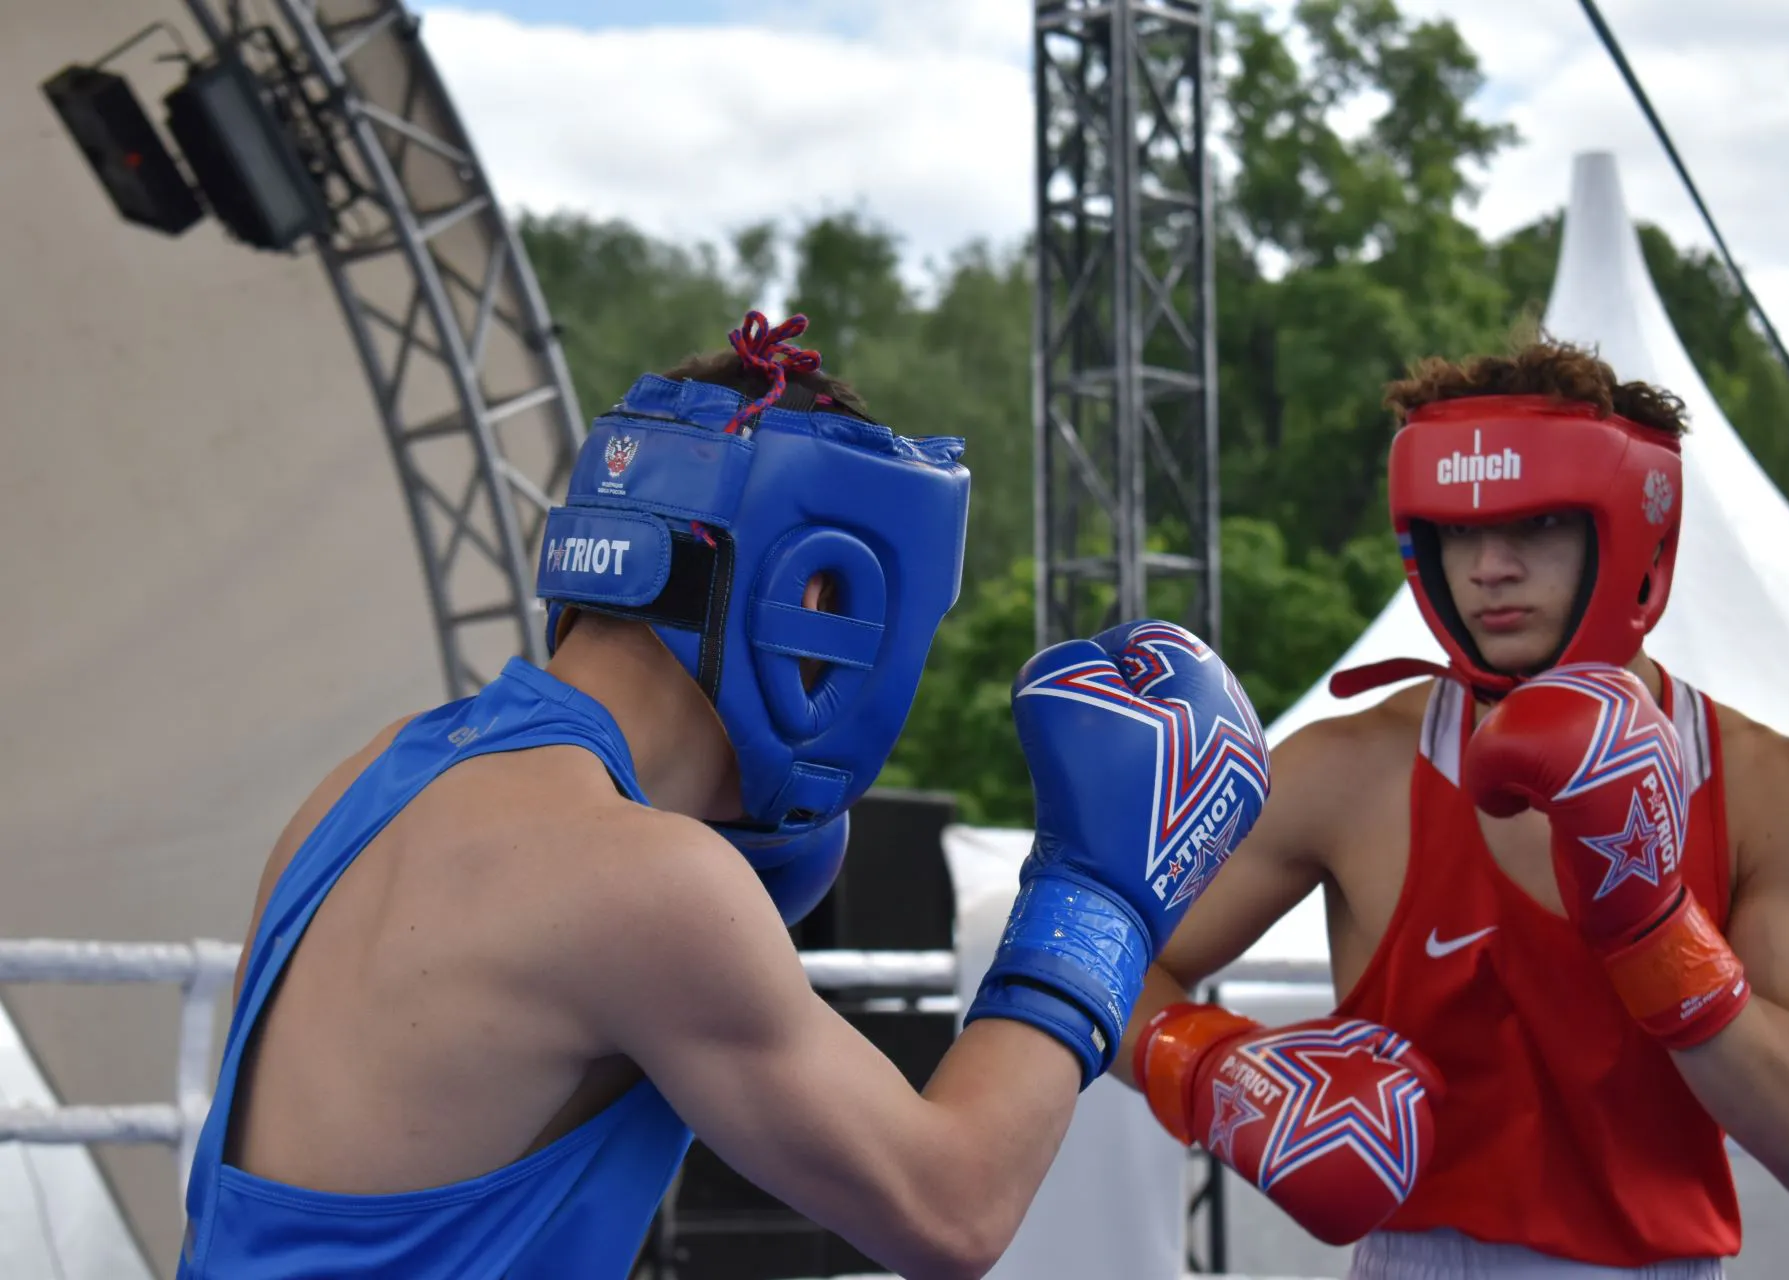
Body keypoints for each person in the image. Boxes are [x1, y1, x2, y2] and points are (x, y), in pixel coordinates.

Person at [174, 309, 1293, 1280]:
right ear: (824, 588)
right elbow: (953, 1207)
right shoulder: (637, 883)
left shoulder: (374, 776)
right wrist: (1096, 899)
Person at [1118, 340, 1789, 1277]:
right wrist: (1211, 1070)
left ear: (1634, 531)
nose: (1489, 569)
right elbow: (1103, 957)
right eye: (1459, 531)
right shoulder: (1351, 771)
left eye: (1538, 523)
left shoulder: (1770, 788)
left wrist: (1654, 929)